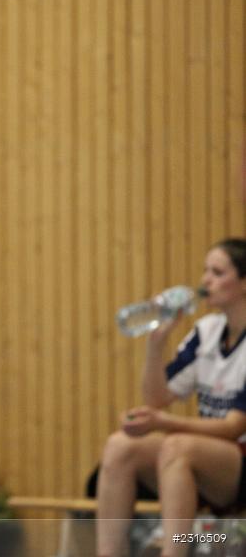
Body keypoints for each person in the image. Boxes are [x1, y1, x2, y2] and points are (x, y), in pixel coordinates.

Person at [96, 238, 246, 557]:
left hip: (238, 461)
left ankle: (173, 550)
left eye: (217, 272)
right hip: (211, 455)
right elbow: (157, 398)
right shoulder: (207, 331)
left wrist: (162, 422)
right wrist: (156, 343)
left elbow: (234, 427)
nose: (205, 280)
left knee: (176, 446)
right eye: (205, 270)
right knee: (120, 446)